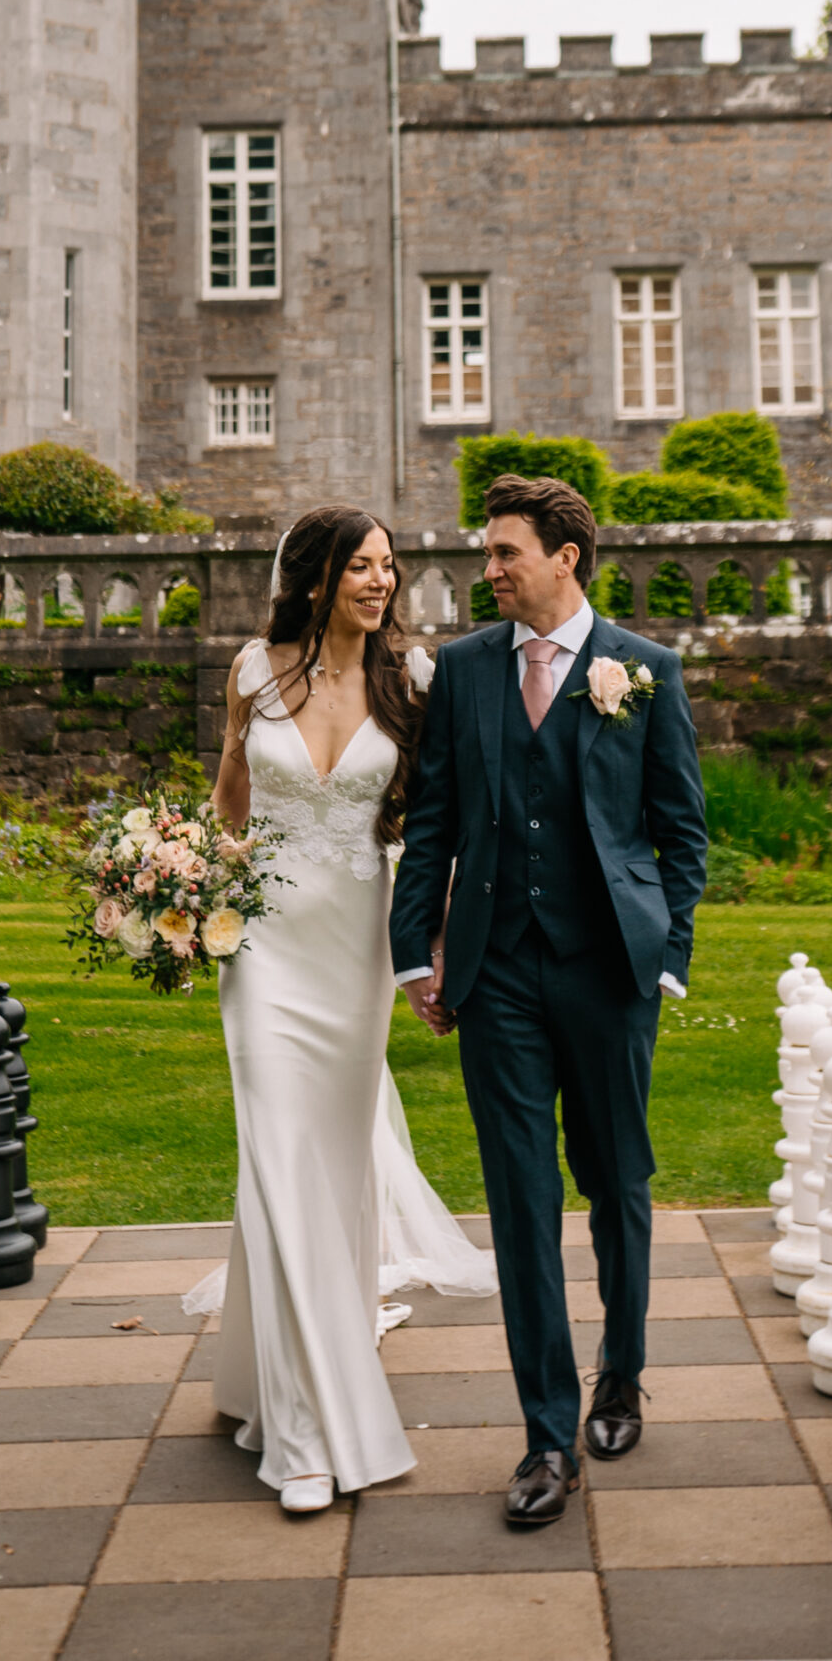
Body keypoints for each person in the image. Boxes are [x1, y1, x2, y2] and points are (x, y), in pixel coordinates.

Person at [391, 473, 710, 1527]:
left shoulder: (644, 670)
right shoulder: (468, 673)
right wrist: (414, 953)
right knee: (521, 1199)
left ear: (565, 556)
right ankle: (544, 1433)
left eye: (504, 553)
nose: (487, 570)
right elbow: (431, 818)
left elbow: (681, 833)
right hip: (497, 974)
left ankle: (621, 1372)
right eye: (488, 553)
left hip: (612, 968)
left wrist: (668, 957)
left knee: (617, 1177)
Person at [192, 504, 497, 1514]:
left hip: (356, 952)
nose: (384, 579)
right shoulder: (253, 670)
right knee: (277, 1160)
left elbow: (439, 823)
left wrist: (439, 941)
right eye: (363, 565)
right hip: (266, 949)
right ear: (317, 577)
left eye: (389, 565)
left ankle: (260, 1379)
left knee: (328, 1170)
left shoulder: (414, 681)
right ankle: (306, 1431)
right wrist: (181, 879)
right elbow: (229, 810)